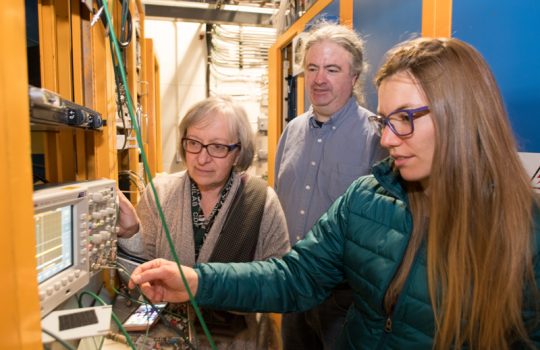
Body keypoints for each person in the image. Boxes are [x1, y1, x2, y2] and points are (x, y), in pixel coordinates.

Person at [128, 38, 540, 349]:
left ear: (462, 115)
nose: (390, 139)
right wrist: (197, 280)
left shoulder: (526, 230)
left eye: (405, 118)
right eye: (385, 120)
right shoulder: (366, 198)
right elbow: (294, 276)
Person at [117, 95, 290, 349]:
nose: (202, 158)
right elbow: (139, 278)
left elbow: (281, 286)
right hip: (169, 338)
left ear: (238, 152)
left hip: (237, 342)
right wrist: (132, 233)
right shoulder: (160, 193)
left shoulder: (260, 202)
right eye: (194, 143)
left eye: (218, 147)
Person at [274, 22, 386, 350]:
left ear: (354, 77)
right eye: (312, 68)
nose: (319, 79)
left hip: (344, 300)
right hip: (293, 286)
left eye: (332, 69)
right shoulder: (291, 132)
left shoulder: (376, 138)